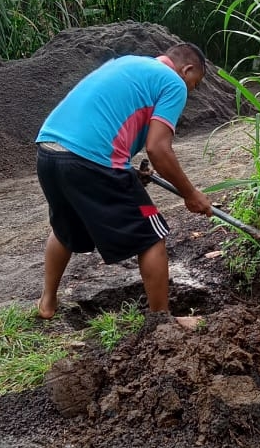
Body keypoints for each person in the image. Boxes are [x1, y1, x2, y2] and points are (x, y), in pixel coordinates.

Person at [34, 42, 213, 321]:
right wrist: (190, 193)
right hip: (88, 160)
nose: (191, 90)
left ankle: (47, 303)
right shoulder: (173, 82)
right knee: (152, 236)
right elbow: (158, 149)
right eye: (195, 83)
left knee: (64, 228)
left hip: (49, 152)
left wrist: (127, 170)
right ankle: (162, 321)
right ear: (186, 69)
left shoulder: (128, 63)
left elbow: (103, 121)